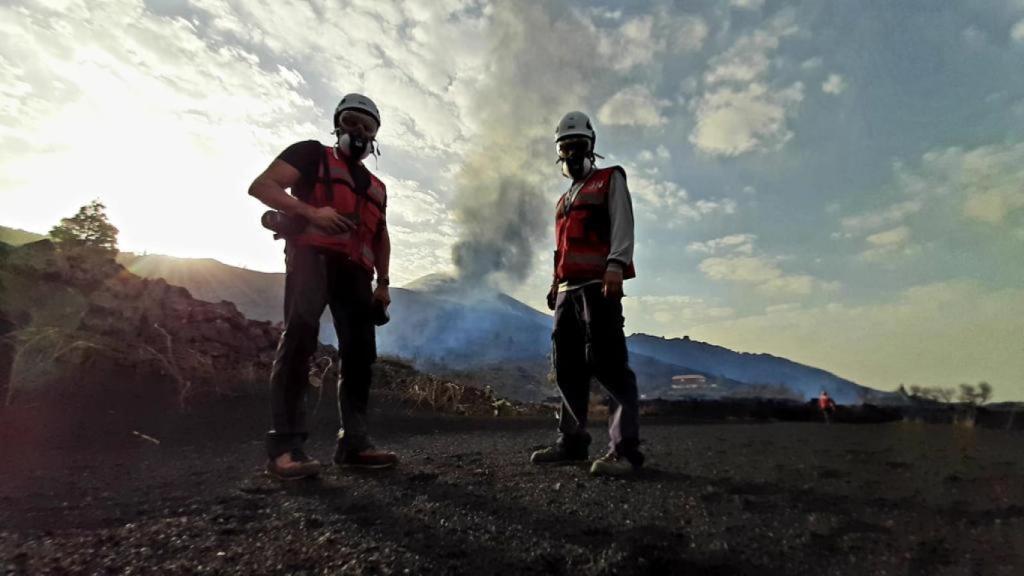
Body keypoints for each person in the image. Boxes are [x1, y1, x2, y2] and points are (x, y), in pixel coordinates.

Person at [249, 93, 397, 480]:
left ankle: (354, 444)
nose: (359, 132)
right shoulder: (311, 155)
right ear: (337, 124)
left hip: (358, 274)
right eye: (351, 122)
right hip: (311, 258)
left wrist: (383, 283)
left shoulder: (378, 187)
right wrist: (312, 212)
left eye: (367, 127)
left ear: (375, 136)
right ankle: (285, 448)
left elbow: (381, 236)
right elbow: (262, 186)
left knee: (361, 352)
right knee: (299, 338)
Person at [531, 111, 644, 477]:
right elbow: (559, 249)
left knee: (609, 362)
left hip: (598, 284)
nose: (571, 153)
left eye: (578, 146)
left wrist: (616, 264)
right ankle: (572, 441)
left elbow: (622, 220)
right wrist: (554, 283)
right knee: (566, 365)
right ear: (559, 153)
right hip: (567, 289)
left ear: (591, 147)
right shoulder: (562, 201)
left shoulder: (610, 179)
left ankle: (624, 450)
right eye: (565, 147)